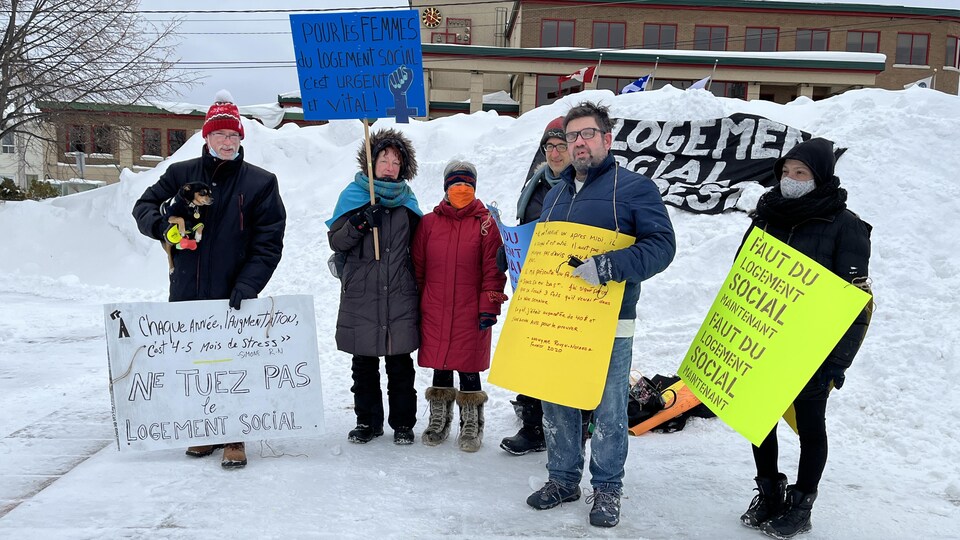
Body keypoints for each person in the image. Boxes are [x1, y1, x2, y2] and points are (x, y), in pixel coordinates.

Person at [525, 102, 676, 528]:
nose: (578, 143)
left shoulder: (634, 188)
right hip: (558, 318)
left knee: (609, 408)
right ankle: (563, 477)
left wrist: (609, 266)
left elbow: (662, 246)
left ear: (607, 140)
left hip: (609, 321)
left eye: (587, 134)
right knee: (557, 401)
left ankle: (607, 487)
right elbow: (547, 251)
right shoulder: (555, 194)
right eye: (572, 136)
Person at [132, 89, 286, 469]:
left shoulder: (260, 183)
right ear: (206, 136)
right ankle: (204, 428)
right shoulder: (181, 174)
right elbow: (143, 207)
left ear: (241, 138)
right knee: (195, 365)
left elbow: (268, 243)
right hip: (186, 291)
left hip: (233, 292)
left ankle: (234, 436)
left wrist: (248, 285)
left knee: (232, 365)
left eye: (233, 135)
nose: (227, 142)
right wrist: (165, 228)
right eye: (220, 135)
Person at [738, 137, 872, 539]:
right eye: (785, 172)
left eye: (801, 173)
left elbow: (857, 305)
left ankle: (802, 502)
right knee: (758, 421)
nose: (790, 180)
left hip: (812, 350)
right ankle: (769, 492)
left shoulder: (846, 226)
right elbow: (742, 276)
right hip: (765, 341)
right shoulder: (766, 215)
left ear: (820, 177)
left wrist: (835, 363)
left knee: (811, 426)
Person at [326, 128, 422, 446]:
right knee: (363, 364)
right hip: (362, 294)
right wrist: (360, 223)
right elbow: (337, 241)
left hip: (399, 293)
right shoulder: (353, 197)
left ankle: (404, 424)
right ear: (371, 161)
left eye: (396, 161)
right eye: (384, 158)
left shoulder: (408, 203)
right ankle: (367, 421)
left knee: (400, 365)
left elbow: (422, 247)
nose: (390, 165)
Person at [501, 116, 587, 456]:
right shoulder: (536, 185)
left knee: (570, 362)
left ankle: (576, 428)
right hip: (536, 285)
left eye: (561, 145)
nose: (554, 153)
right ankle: (534, 427)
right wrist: (506, 250)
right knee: (533, 356)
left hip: (572, 287)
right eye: (549, 146)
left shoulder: (582, 187)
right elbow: (526, 226)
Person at [412, 160, 507, 452]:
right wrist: (416, 303)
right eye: (456, 184)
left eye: (467, 185)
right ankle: (439, 419)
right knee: (441, 364)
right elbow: (418, 267)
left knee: (468, 366)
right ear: (446, 188)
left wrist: (489, 306)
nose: (461, 189)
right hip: (436, 307)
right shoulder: (428, 223)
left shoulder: (486, 224)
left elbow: (494, 269)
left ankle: (472, 423)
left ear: (474, 188)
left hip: (470, 309)